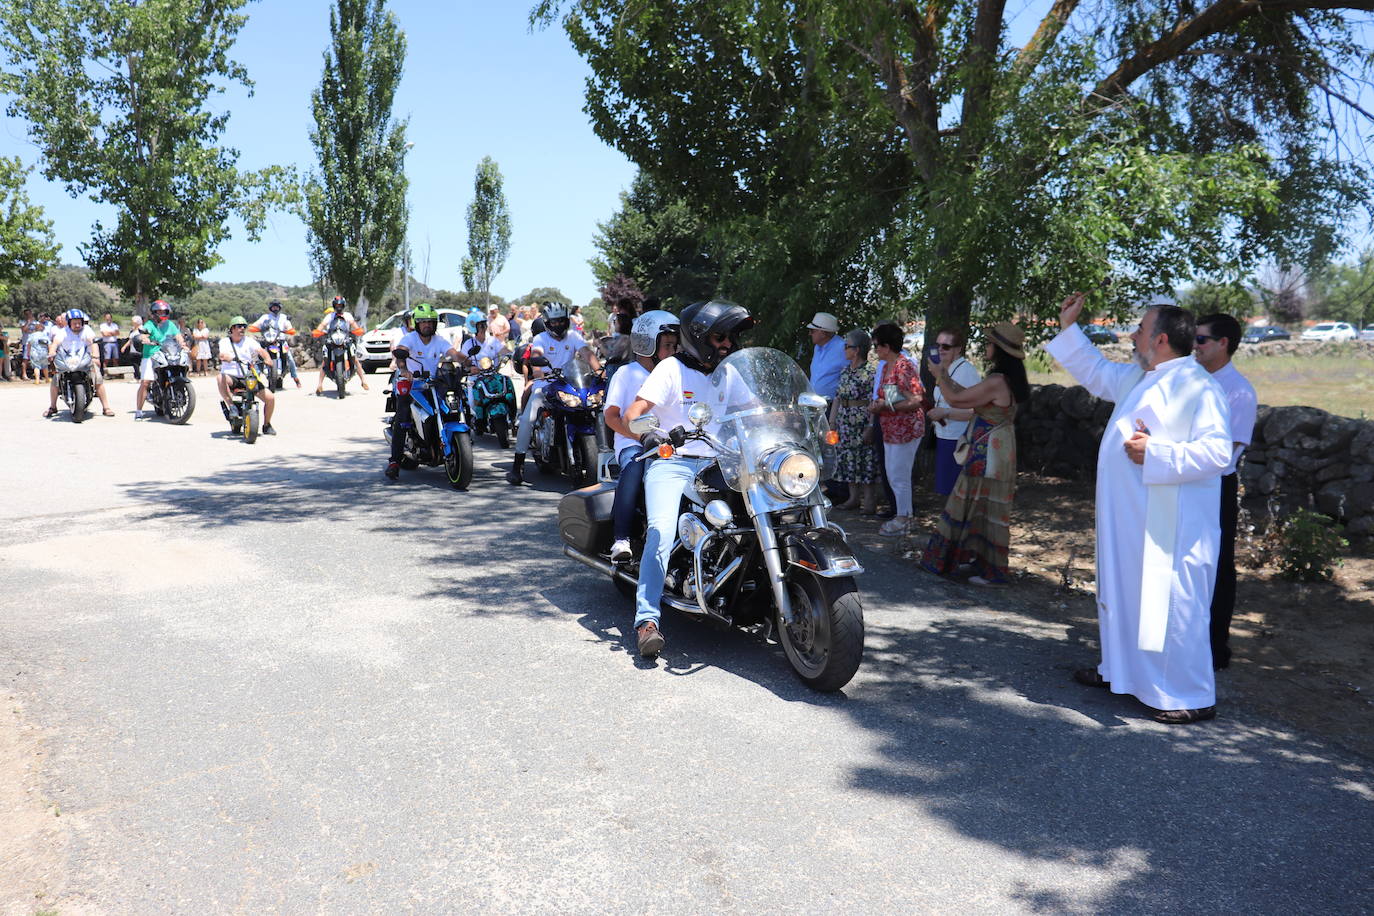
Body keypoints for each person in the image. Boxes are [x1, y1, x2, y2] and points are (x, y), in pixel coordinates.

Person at [1047, 293, 1232, 725]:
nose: (1132, 335)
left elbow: (1219, 453)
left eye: (1141, 329)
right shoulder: (1140, 376)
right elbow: (1094, 372)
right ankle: (1122, 673)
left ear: (1161, 338)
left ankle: (1188, 694)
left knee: (1170, 603)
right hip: (1129, 518)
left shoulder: (1197, 386)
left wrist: (1157, 452)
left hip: (1171, 525)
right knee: (1126, 596)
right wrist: (1069, 327)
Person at [624, 299, 755, 658]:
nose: (727, 344)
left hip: (722, 463)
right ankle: (647, 621)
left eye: (730, 337)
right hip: (674, 462)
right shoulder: (671, 369)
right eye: (720, 337)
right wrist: (648, 433)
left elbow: (754, 411)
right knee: (661, 532)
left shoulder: (730, 373)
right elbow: (635, 412)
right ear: (699, 337)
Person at [918, 322, 1028, 586]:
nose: (986, 347)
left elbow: (958, 401)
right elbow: (964, 395)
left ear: (999, 349)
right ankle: (980, 564)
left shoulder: (997, 381)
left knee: (979, 504)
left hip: (988, 451)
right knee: (986, 506)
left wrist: (939, 374)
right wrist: (943, 375)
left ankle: (990, 571)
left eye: (990, 343)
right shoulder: (1008, 380)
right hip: (997, 448)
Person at [1194, 312, 1258, 670]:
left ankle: (1216, 647)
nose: (1194, 346)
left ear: (1223, 343)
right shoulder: (1194, 382)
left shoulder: (1238, 391)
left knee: (1217, 566)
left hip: (1216, 486)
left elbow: (1226, 455)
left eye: (1201, 340)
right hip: (1188, 481)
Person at [605, 309, 679, 562]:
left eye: (675, 345)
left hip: (673, 446)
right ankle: (621, 539)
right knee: (636, 467)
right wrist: (639, 438)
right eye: (667, 345)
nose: (673, 350)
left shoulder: (677, 374)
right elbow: (611, 416)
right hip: (632, 443)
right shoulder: (627, 374)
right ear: (647, 344)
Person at [506, 302, 600, 484]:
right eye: (554, 322)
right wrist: (540, 372)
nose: (558, 325)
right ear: (547, 322)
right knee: (528, 419)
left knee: (594, 407)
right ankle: (518, 466)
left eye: (561, 321)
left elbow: (587, 354)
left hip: (570, 383)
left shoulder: (573, 335)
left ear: (567, 321)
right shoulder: (540, 339)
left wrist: (599, 370)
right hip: (546, 383)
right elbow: (536, 357)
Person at [384, 304, 468, 479]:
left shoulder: (439, 340)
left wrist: (469, 362)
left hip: (434, 383)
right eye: (423, 322)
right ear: (417, 324)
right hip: (412, 384)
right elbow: (401, 356)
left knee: (451, 406)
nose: (427, 325)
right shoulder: (410, 339)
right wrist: (405, 370)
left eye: (430, 322)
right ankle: (394, 462)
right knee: (403, 418)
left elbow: (453, 354)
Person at [869, 322, 926, 537]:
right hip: (891, 427)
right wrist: (880, 405)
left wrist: (884, 405)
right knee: (894, 475)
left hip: (906, 428)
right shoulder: (886, 367)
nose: (875, 350)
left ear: (887, 346)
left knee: (899, 475)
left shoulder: (904, 366)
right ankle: (904, 516)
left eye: (877, 345)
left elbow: (917, 399)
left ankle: (905, 518)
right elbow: (891, 397)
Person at [925, 327, 983, 496]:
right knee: (947, 491)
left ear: (958, 349)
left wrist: (945, 413)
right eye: (938, 346)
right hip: (944, 435)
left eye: (946, 347)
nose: (940, 350)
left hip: (959, 439)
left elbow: (977, 410)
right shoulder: (944, 369)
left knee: (957, 492)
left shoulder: (966, 371)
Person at [828, 330, 879, 513]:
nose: (844, 349)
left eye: (846, 346)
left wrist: (871, 426)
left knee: (865, 459)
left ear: (856, 350)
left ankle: (870, 500)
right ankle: (853, 498)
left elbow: (874, 400)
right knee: (847, 458)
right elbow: (837, 398)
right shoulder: (845, 371)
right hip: (844, 419)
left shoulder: (871, 373)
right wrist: (832, 423)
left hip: (862, 419)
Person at [43, 309, 115, 417]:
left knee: (98, 379)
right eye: (74, 322)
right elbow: (55, 343)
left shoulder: (87, 330)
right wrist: (52, 352)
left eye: (79, 322)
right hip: (67, 360)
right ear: (69, 322)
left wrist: (96, 357)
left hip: (85, 359)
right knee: (55, 379)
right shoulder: (63, 332)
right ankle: (53, 407)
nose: (77, 325)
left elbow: (93, 342)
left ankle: (106, 407)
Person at [217, 316, 277, 435]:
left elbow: (261, 350)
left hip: (247, 376)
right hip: (231, 376)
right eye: (239, 326)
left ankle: (267, 425)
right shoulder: (224, 342)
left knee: (270, 398)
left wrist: (267, 358)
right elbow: (222, 355)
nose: (242, 329)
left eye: (244, 326)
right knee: (220, 377)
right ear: (232, 328)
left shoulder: (249, 341)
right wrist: (228, 358)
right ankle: (232, 406)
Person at [135, 301, 187, 418]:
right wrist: (145, 339)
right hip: (151, 355)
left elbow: (177, 336)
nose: (162, 313)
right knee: (146, 382)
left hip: (168, 353)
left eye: (164, 311)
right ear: (154, 313)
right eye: (159, 311)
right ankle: (138, 410)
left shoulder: (170, 324)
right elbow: (145, 334)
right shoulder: (149, 324)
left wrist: (182, 344)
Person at [311, 296, 369, 395]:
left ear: (343, 306)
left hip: (345, 339)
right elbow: (322, 325)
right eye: (337, 305)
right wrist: (318, 331)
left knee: (355, 359)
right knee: (325, 360)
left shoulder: (347, 315)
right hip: (331, 339)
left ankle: (363, 381)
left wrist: (358, 330)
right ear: (334, 306)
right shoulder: (329, 316)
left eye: (340, 305)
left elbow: (353, 325)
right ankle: (319, 385)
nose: (339, 307)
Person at [250, 299, 302, 388]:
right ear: (270, 308)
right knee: (257, 357)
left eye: (277, 306)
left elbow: (290, 328)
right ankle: (255, 378)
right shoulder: (265, 317)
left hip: (281, 341)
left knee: (290, 358)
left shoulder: (283, 317)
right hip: (267, 341)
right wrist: (259, 328)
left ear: (279, 307)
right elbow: (253, 326)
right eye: (273, 306)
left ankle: (295, 378)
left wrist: (288, 330)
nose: (275, 308)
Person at [806, 312, 846, 401]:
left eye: (812, 331)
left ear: (823, 333)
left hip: (831, 405)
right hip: (814, 403)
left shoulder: (842, 348)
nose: (810, 334)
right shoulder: (817, 347)